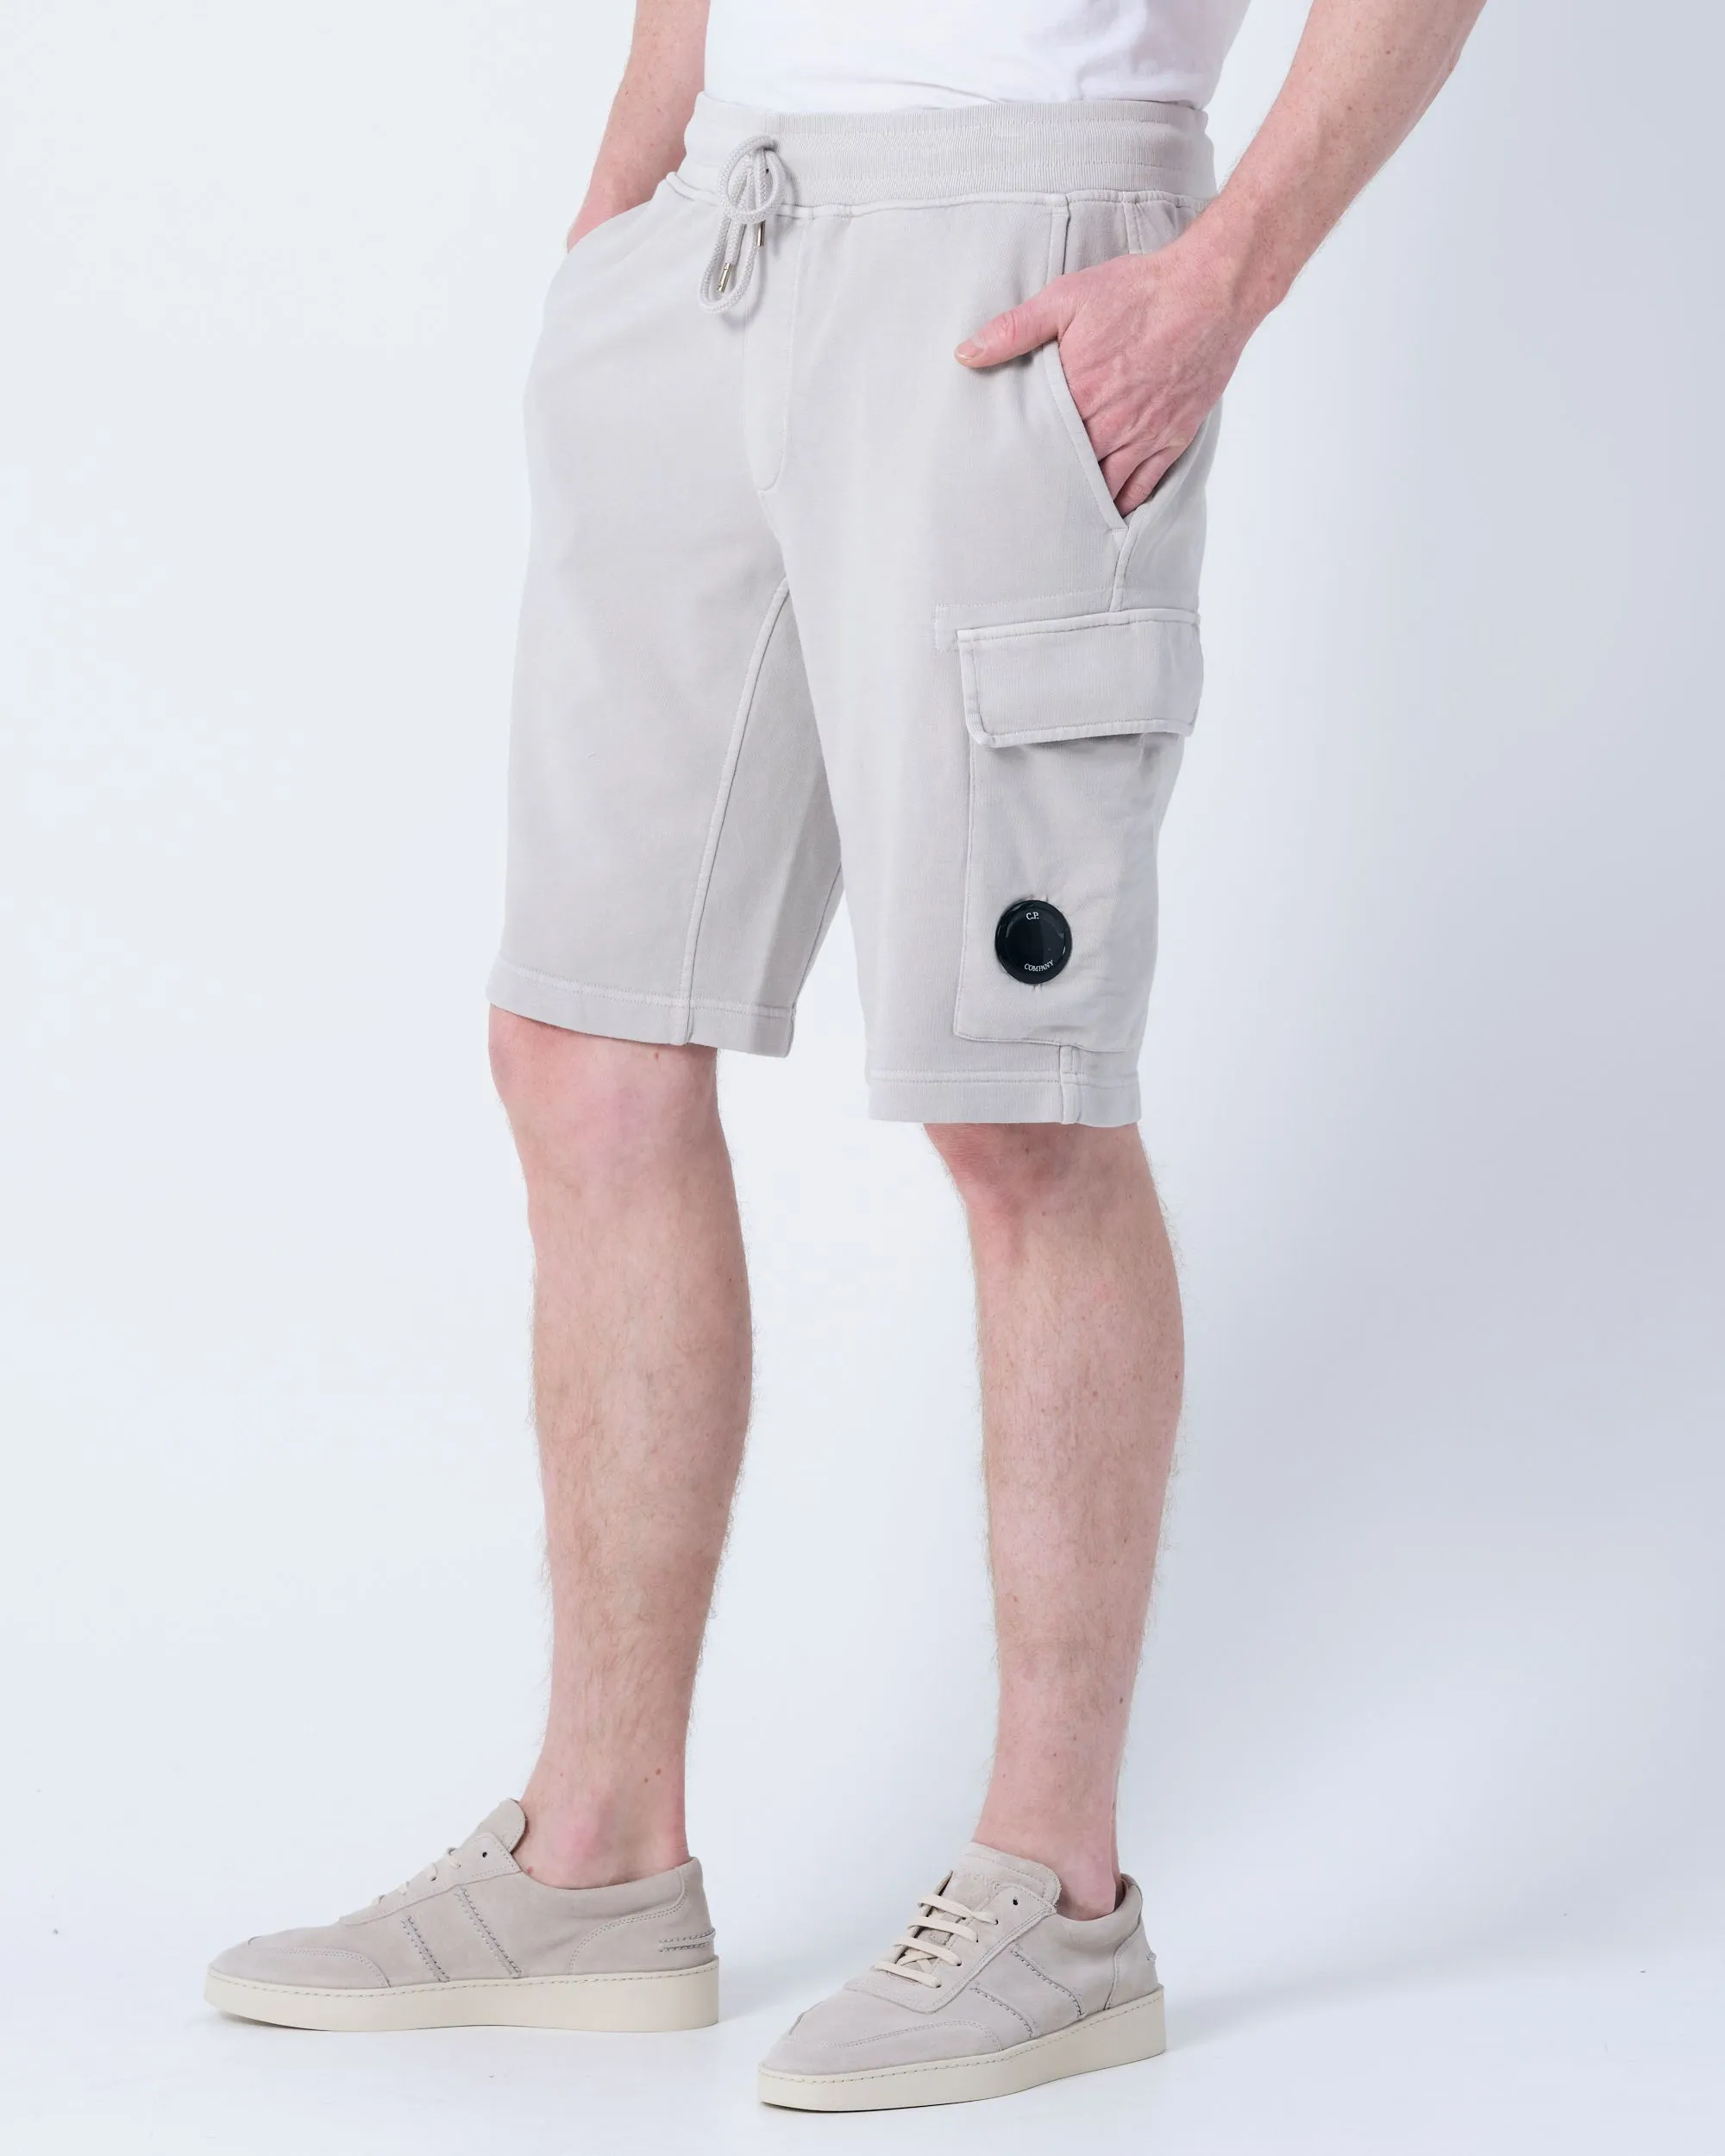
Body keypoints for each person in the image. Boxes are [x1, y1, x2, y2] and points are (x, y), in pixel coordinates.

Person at [205, 0, 1487, 2112]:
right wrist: (623, 205)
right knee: (582, 1042)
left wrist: (1217, 283)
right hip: (715, 230)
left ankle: (1058, 1896)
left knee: (1013, 1093)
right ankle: (596, 1858)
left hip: (1015, 249)